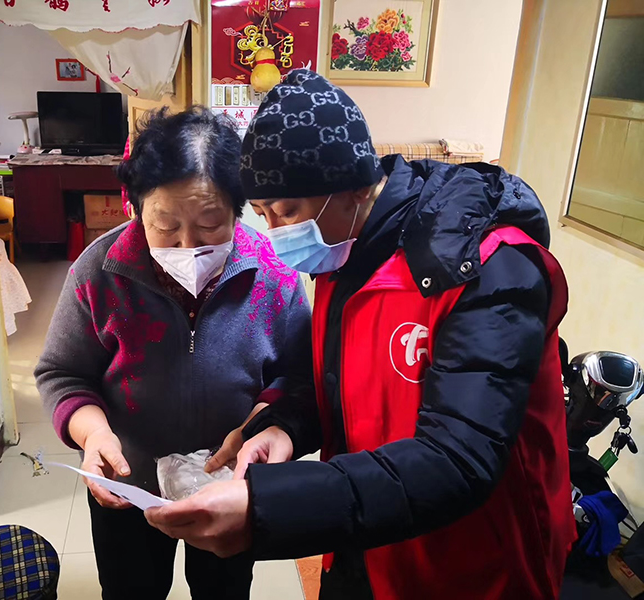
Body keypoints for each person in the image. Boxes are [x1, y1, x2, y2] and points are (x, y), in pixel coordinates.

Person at [145, 70, 576, 600]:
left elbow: (459, 458)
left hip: (471, 562)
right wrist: (284, 427)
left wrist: (266, 508)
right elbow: (345, 387)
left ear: (353, 185)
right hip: (365, 538)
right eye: (264, 215)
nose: (278, 234)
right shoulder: (344, 255)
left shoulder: (488, 269)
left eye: (289, 211)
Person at [35, 107, 312, 600]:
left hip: (230, 484)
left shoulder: (275, 274)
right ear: (135, 208)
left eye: (211, 224)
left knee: (223, 591)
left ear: (239, 210)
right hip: (128, 484)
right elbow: (63, 372)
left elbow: (298, 375)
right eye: (165, 225)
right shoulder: (99, 271)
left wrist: (267, 423)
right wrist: (93, 434)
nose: (188, 246)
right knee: (131, 590)